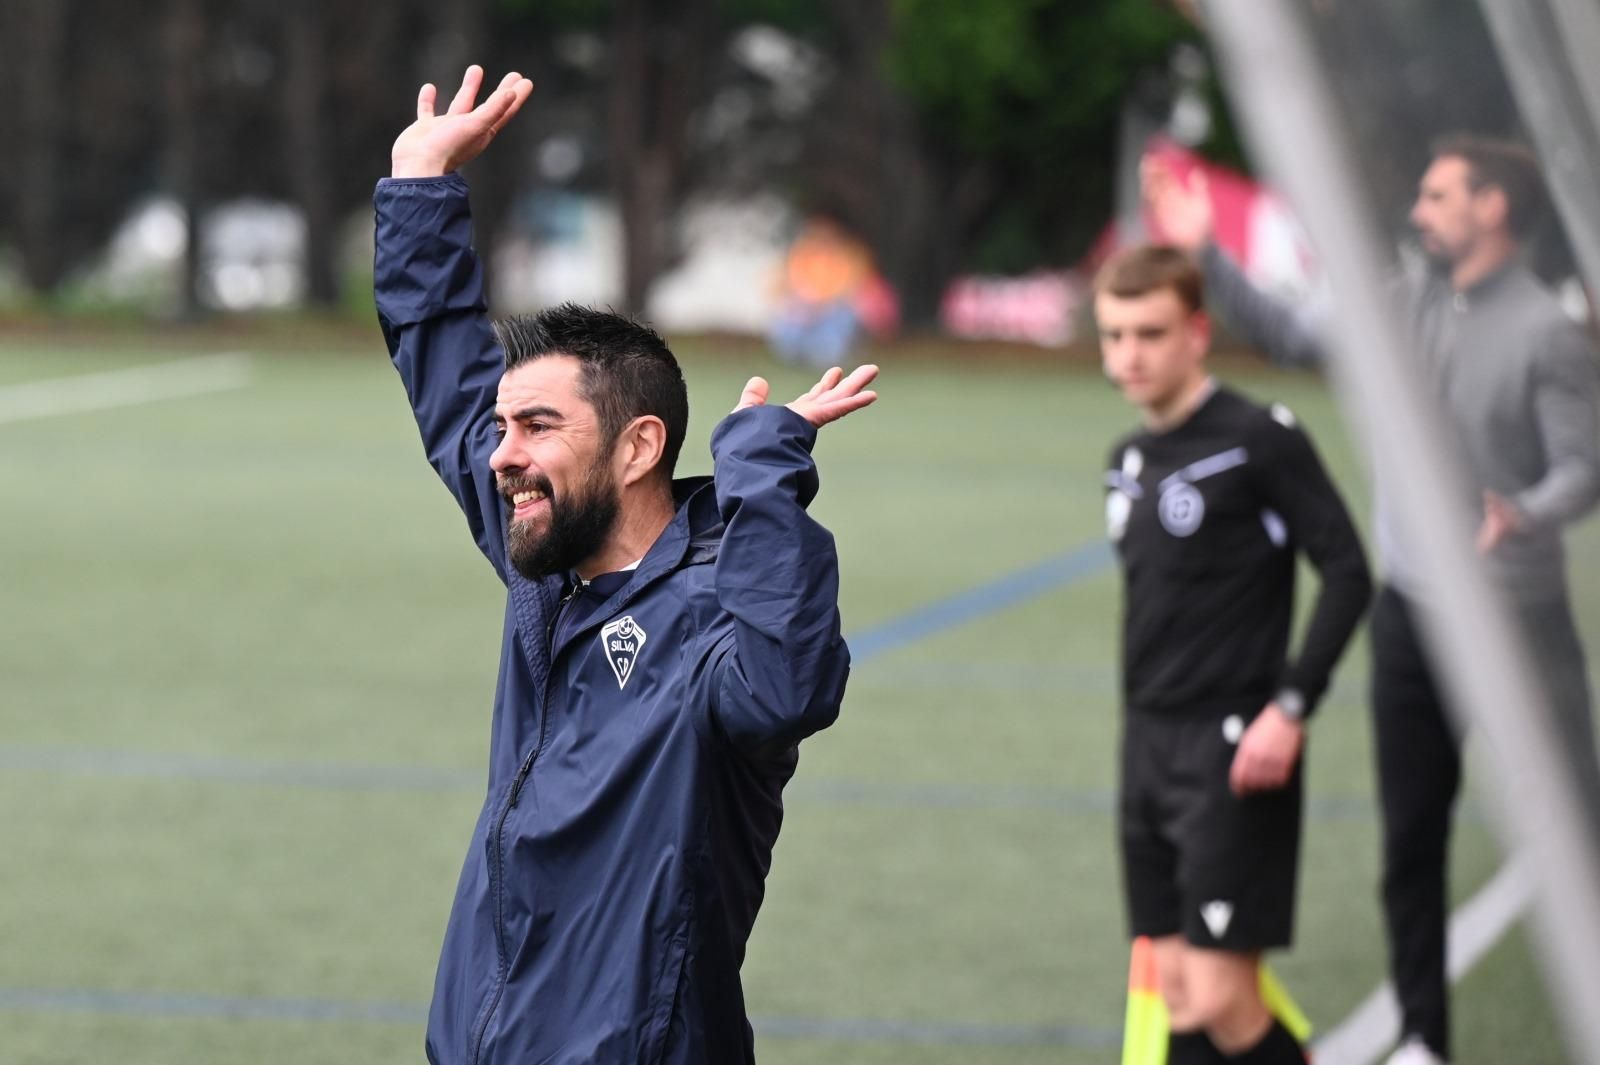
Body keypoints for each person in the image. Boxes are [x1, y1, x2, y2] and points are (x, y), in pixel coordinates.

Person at [373, 66, 878, 1065]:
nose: (503, 451)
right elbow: (447, 383)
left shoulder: (715, 620)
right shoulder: (545, 561)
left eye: (539, 426)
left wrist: (760, 468)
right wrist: (420, 185)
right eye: (505, 425)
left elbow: (787, 692)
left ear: (639, 448)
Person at [1145, 136, 1600, 1065]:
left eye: (1439, 197)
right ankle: (1425, 1040)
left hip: (1523, 624)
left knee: (1577, 836)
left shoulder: (1549, 334)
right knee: (1410, 842)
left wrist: (1525, 511)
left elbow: (1586, 467)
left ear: (1493, 210)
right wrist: (1203, 250)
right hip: (1413, 620)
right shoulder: (1395, 310)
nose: (1421, 212)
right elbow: (1285, 332)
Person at [1097, 245, 1372, 1065]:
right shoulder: (1126, 458)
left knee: (1222, 996)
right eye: (1114, 336)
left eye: (1150, 333)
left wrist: (1290, 708)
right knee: (1178, 991)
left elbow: (1350, 571)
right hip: (1145, 745)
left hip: (1234, 747)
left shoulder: (1260, 438)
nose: (1129, 355)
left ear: (1198, 333)